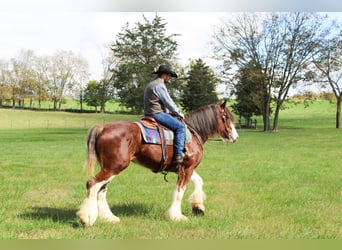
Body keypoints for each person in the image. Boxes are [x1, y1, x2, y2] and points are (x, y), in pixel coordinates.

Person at [143, 65, 187, 164]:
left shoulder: (151, 84)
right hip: (157, 113)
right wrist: (179, 113)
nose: (170, 78)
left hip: (149, 113)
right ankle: (179, 154)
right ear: (164, 75)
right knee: (180, 127)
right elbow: (168, 102)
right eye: (169, 76)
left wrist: (169, 112)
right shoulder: (160, 86)